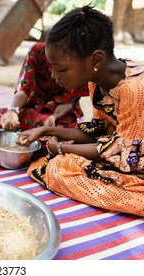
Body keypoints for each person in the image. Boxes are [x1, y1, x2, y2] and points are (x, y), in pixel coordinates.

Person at [16, 5, 144, 216]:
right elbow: (98, 132)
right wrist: (47, 132)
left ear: (96, 59)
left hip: (132, 160)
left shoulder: (134, 89)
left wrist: (61, 149)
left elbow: (125, 154)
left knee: (59, 168)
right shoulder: (96, 81)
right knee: (58, 166)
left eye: (61, 68)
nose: (54, 76)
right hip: (124, 153)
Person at [0, 42, 89, 140]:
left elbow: (68, 102)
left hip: (59, 112)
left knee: (61, 132)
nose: (53, 75)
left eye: (59, 69)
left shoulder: (78, 63)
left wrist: (53, 117)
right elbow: (24, 88)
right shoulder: (37, 51)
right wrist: (13, 110)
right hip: (34, 105)